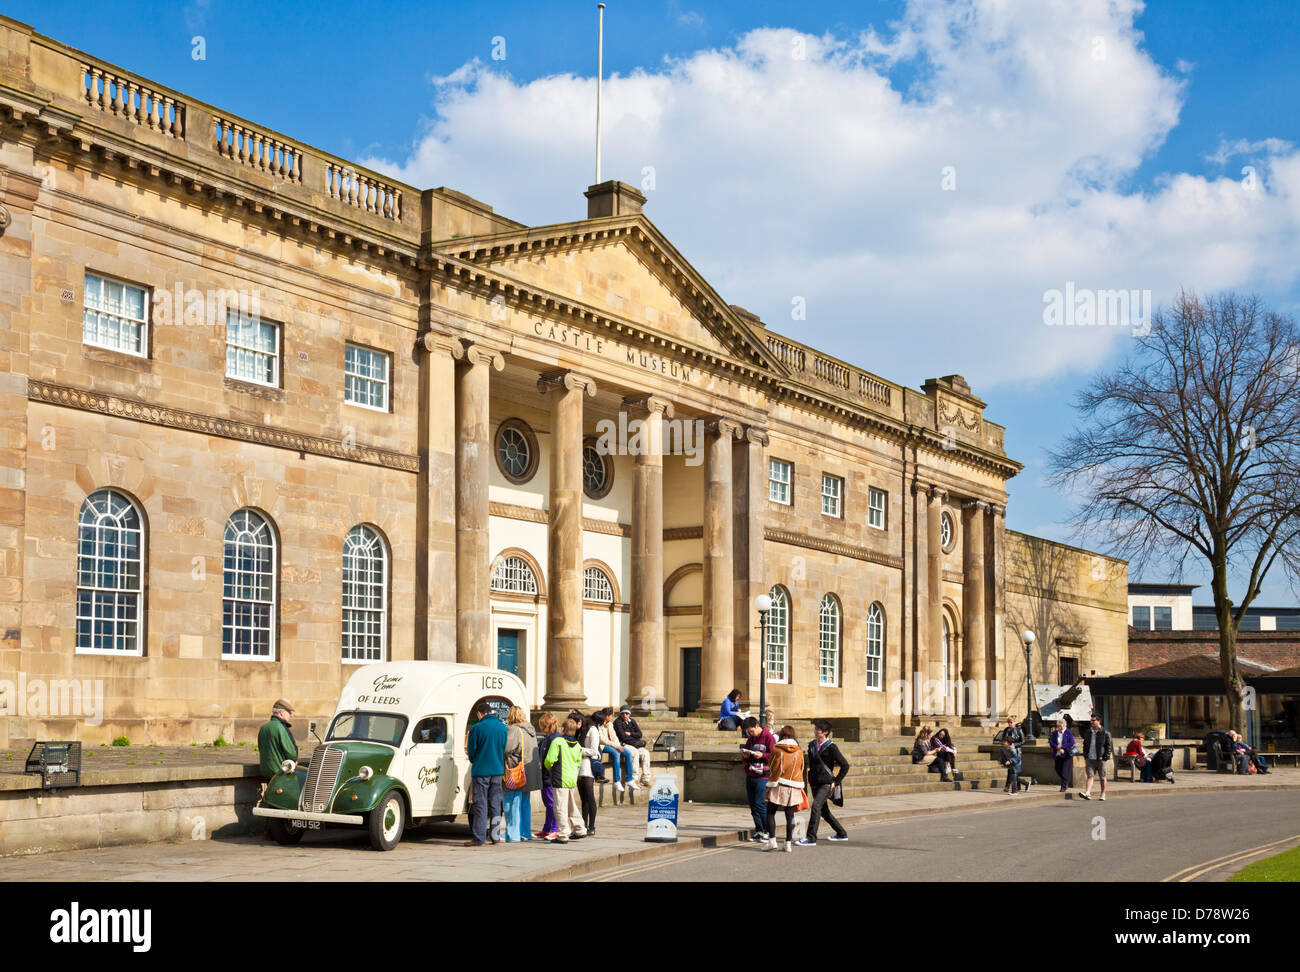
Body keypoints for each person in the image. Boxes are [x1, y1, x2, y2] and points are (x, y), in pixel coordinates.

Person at [799, 718, 850, 845]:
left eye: (818, 729)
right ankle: (841, 833)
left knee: (816, 806)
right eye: (815, 729)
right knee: (824, 812)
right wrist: (810, 778)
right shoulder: (811, 745)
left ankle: (811, 838)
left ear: (825, 732)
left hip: (826, 783)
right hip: (815, 782)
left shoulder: (832, 747)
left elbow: (845, 765)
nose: (815, 731)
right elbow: (811, 764)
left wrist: (836, 782)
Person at [465, 700, 508, 845]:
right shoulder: (503, 728)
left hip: (481, 771)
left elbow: (471, 751)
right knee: (496, 804)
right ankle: (495, 837)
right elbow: (503, 748)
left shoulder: (477, 728)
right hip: (497, 770)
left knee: (480, 804)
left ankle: (479, 838)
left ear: (479, 713)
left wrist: (475, 759)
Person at [762, 726, 805, 853]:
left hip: (778, 784)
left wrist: (770, 785)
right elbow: (801, 768)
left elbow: (772, 766)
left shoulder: (777, 749)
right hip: (794, 785)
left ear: (781, 735)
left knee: (770, 812)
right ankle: (788, 844)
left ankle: (772, 841)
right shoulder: (799, 750)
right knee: (790, 815)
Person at [544, 717, 586, 843]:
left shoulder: (558, 742)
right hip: (572, 779)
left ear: (563, 729)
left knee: (560, 807)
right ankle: (580, 829)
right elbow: (578, 762)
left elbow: (549, 760)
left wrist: (548, 767)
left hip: (560, 778)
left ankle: (563, 834)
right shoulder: (577, 744)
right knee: (572, 806)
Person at [503, 706, 540, 842]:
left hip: (516, 771)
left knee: (512, 803)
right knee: (525, 803)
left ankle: (513, 835)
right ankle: (525, 833)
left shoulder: (514, 730)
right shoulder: (530, 729)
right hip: (529, 772)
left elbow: (507, 749)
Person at [739, 716, 777, 841]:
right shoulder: (751, 739)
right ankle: (759, 830)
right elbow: (746, 755)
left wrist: (763, 755)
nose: (750, 734)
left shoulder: (768, 737)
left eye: (751, 731)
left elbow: (774, 755)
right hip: (751, 774)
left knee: (760, 803)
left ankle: (767, 831)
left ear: (756, 726)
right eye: (748, 732)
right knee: (752, 805)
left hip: (763, 775)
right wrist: (745, 755)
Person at [257, 698, 299, 781]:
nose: (291, 715)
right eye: (289, 712)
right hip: (281, 772)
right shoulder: (281, 728)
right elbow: (291, 753)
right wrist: (294, 760)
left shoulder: (264, 727)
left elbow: (261, 748)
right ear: (282, 713)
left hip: (266, 772)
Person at [534, 712, 561, 840]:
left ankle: (554, 829)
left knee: (552, 804)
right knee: (548, 804)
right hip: (544, 776)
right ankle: (547, 828)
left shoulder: (555, 739)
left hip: (550, 777)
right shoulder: (547, 738)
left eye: (542, 726)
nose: (541, 729)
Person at [598, 707, 637, 792]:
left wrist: (619, 746)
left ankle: (630, 779)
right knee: (616, 754)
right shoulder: (599, 724)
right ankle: (617, 781)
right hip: (603, 746)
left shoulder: (610, 724)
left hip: (614, 744)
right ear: (607, 716)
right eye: (611, 715)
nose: (612, 717)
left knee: (628, 753)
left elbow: (614, 737)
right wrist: (616, 747)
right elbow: (602, 740)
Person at [577, 711, 603, 835]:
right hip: (578, 766)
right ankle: (584, 824)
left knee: (590, 797)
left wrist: (578, 750)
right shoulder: (580, 731)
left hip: (587, 766)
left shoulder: (592, 730)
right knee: (583, 799)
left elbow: (594, 751)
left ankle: (592, 826)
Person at [614, 706, 653, 786]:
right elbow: (623, 737)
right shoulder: (617, 722)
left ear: (629, 714)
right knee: (635, 753)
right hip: (624, 744)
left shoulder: (632, 721)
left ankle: (645, 779)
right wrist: (634, 738)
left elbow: (640, 734)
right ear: (620, 714)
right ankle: (634, 779)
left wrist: (630, 734)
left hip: (635, 744)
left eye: (627, 713)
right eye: (623, 713)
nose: (625, 715)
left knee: (645, 753)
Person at [1079, 714, 1113, 801]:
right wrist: (1085, 755)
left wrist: (1105, 757)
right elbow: (1085, 744)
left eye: (1093, 720)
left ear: (1099, 721)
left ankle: (1103, 794)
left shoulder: (1105, 732)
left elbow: (1109, 746)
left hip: (1101, 759)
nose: (1092, 722)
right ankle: (1087, 793)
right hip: (1090, 758)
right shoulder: (1088, 732)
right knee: (1090, 776)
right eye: (1091, 720)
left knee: (1102, 777)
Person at [1048, 718, 1075, 792]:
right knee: (1057, 769)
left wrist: (1063, 747)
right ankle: (1065, 780)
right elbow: (1051, 742)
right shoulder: (1055, 733)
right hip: (1057, 754)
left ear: (1064, 725)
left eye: (1061, 726)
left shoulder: (1068, 732)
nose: (1060, 728)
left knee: (1064, 771)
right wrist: (1056, 747)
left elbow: (1071, 743)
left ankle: (1063, 786)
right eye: (1058, 726)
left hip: (1066, 755)